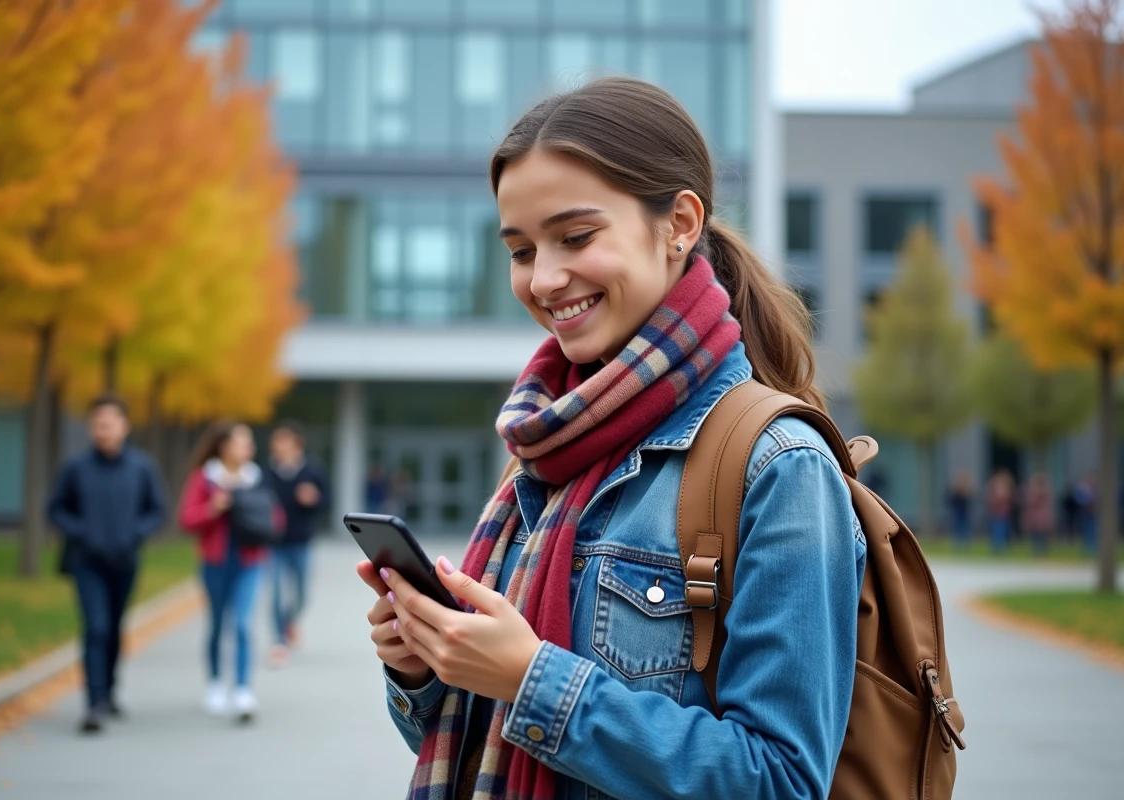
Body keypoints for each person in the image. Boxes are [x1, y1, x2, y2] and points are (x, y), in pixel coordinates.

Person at [357, 77, 865, 799]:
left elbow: (780, 780)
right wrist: (426, 668)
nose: (544, 279)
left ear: (679, 223)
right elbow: (483, 744)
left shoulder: (777, 467)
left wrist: (532, 681)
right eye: (521, 250)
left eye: (576, 237)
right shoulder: (544, 448)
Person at [47, 395, 167, 735]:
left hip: (125, 561)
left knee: (114, 627)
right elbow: (55, 509)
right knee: (96, 627)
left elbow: (157, 511)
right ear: (91, 428)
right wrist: (82, 532)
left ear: (124, 427)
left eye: (110, 424)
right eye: (98, 425)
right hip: (87, 562)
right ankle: (94, 703)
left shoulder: (142, 467)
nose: (104, 431)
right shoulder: (76, 468)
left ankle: (110, 690)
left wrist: (135, 533)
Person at [178, 421, 275, 723]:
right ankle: (216, 683)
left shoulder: (256, 478)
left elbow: (276, 516)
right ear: (224, 447)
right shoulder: (204, 479)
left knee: (243, 624)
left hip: (249, 562)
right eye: (242, 442)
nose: (249, 448)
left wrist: (263, 521)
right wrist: (212, 509)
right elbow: (186, 519)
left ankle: (243, 690)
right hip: (216, 563)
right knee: (218, 624)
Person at [263, 420, 328, 667]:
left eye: (283, 441)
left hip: (302, 542)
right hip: (274, 543)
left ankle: (289, 622)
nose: (278, 446)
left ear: (297, 444)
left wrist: (314, 499)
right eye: (276, 441)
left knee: (302, 594)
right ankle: (279, 641)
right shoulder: (266, 474)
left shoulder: (312, 471)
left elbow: (327, 502)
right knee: (277, 593)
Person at [1021, 472, 1055, 556]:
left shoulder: (1041, 490)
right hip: (1036, 516)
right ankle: (1037, 549)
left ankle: (1041, 549)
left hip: (1040, 516)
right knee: (1036, 533)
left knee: (1042, 533)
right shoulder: (1035, 490)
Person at [986, 469, 1016, 554]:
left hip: (1005, 514)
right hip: (995, 513)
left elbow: (1011, 500)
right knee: (996, 530)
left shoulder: (1007, 489)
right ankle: (996, 547)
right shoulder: (994, 489)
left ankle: (1002, 546)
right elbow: (991, 500)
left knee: (1004, 530)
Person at [946, 470, 975, 549]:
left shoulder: (967, 492)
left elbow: (970, 502)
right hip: (957, 513)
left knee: (965, 529)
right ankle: (957, 545)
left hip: (964, 513)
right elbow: (951, 501)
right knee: (957, 528)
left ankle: (965, 545)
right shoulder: (956, 492)